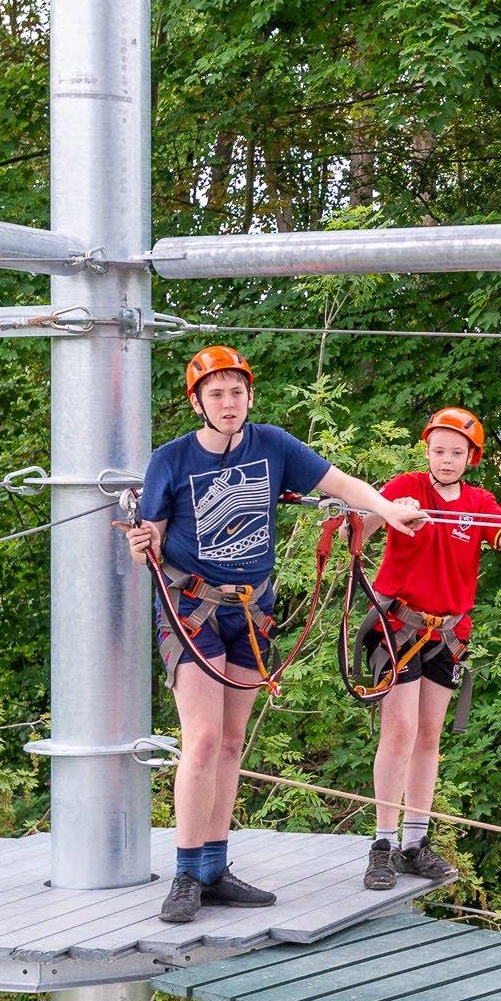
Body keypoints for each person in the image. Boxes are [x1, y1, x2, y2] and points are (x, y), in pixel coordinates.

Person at [124, 345, 427, 924]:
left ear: (249, 397)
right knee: (203, 738)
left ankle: (213, 868)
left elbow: (342, 484)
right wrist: (140, 546)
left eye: (236, 392)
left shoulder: (273, 445)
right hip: (193, 610)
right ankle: (185, 873)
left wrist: (388, 511)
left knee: (232, 741)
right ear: (197, 403)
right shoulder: (172, 459)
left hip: (252, 610)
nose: (229, 403)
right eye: (216, 394)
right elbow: (150, 541)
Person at [355, 407, 501, 889]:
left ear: (471, 458)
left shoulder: (479, 502)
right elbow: (358, 529)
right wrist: (383, 511)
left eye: (456, 453)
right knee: (399, 731)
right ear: (427, 452)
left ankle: (415, 842)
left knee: (428, 736)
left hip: (446, 634)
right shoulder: (407, 487)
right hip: (399, 626)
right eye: (438, 451)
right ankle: (383, 843)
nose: (446, 459)